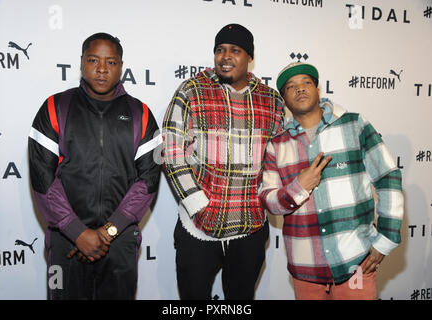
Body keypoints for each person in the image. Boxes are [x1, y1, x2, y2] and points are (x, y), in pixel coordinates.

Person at [28, 32, 161, 299]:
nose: (101, 69)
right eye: (93, 60)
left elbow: (148, 181)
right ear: (81, 63)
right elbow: (43, 178)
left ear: (121, 66)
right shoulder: (54, 107)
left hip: (120, 239)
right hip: (66, 239)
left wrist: (108, 231)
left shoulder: (142, 114)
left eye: (111, 62)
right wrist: (77, 231)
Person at [259, 62, 404, 300]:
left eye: (306, 82)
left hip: (355, 263)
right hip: (306, 271)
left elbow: (388, 177)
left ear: (318, 89)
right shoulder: (277, 145)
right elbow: (269, 201)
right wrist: (299, 187)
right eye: (290, 86)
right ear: (284, 98)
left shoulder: (354, 125)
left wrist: (386, 238)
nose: (300, 89)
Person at [162, 24, 284, 300]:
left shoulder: (271, 100)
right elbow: (171, 151)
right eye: (220, 50)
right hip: (198, 226)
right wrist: (197, 205)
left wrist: (264, 198)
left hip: (250, 227)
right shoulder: (192, 90)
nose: (225, 56)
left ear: (249, 57)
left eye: (235, 50)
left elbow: (279, 158)